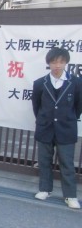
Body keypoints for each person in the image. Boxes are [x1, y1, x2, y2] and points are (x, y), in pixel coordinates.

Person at [31, 47, 82, 209]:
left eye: (61, 62)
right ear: (49, 63)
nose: (57, 65)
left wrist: (66, 118)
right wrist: (44, 119)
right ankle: (45, 189)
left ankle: (70, 195)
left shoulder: (76, 82)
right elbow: (36, 106)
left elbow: (78, 107)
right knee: (44, 161)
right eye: (53, 62)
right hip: (45, 127)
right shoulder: (40, 83)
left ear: (66, 62)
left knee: (67, 163)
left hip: (66, 128)